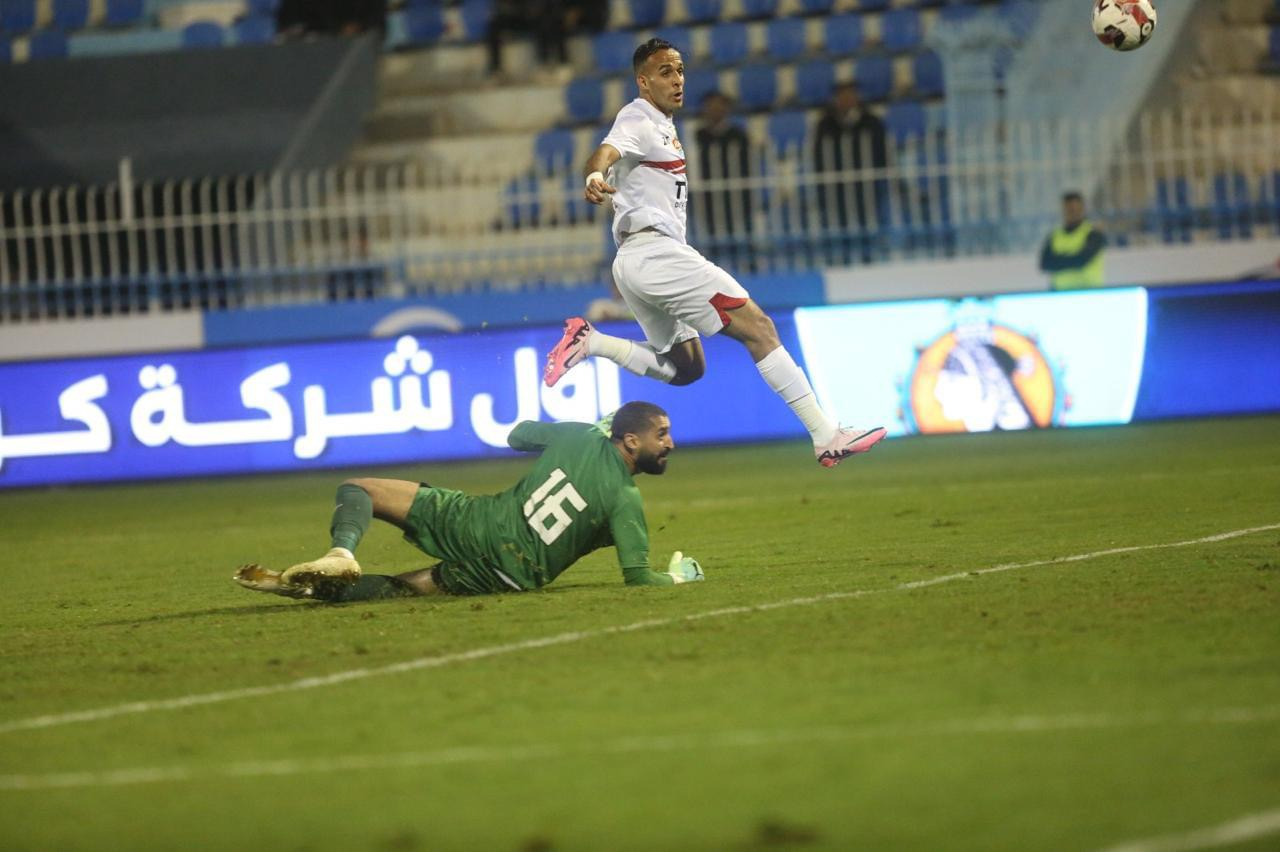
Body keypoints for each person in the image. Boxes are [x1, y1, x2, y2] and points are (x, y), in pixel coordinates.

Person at [543, 39, 886, 469]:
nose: (677, 79)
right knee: (759, 327)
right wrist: (595, 171)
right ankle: (825, 434)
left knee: (687, 368)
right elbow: (605, 150)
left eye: (680, 69)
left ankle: (590, 341)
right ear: (643, 81)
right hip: (655, 253)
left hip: (634, 261)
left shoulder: (663, 126)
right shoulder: (639, 116)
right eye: (665, 71)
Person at [233, 402, 704, 601]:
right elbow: (639, 578)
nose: (671, 444)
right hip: (508, 574)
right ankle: (311, 588)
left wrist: (583, 428)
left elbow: (517, 434)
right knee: (401, 590)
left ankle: (340, 555)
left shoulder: (580, 435)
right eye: (661, 435)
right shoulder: (626, 501)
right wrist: (678, 579)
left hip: (477, 522)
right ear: (629, 440)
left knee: (359, 488)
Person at [812, 82, 888, 263]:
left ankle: (868, 259)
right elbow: (820, 154)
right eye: (842, 96)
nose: (846, 100)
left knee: (867, 223)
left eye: (850, 95)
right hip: (837, 187)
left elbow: (880, 153)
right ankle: (841, 260)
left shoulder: (871, 121)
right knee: (838, 225)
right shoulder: (826, 124)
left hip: (866, 184)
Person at [693, 90, 754, 270]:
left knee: (741, 234)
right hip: (709, 195)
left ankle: (748, 269)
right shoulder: (699, 135)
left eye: (719, 106)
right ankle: (715, 272)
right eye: (711, 106)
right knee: (712, 237)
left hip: (736, 194)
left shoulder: (738, 134)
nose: (715, 110)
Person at [1039, 191, 1107, 290]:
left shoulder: (1093, 234)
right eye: (1069, 210)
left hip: (1089, 293)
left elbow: (1081, 260)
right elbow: (1045, 263)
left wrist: (1058, 259)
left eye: (1075, 209)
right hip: (1061, 294)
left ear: (1082, 209)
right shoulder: (1055, 235)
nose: (1072, 213)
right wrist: (1073, 257)